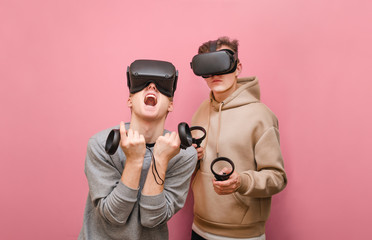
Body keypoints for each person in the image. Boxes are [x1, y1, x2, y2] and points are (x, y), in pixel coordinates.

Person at [78, 59, 197, 240]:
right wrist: (134, 160)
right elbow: (114, 216)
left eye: (161, 86)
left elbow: (152, 218)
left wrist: (160, 159)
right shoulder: (101, 144)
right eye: (143, 84)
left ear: (171, 104)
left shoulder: (183, 155)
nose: (151, 87)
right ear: (129, 101)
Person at [190, 36, 287, 240]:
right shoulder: (201, 111)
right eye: (208, 67)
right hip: (199, 226)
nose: (215, 74)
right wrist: (189, 156)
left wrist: (241, 181)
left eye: (222, 64)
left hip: (241, 235)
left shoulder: (261, 116)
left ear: (238, 67)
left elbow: (277, 178)